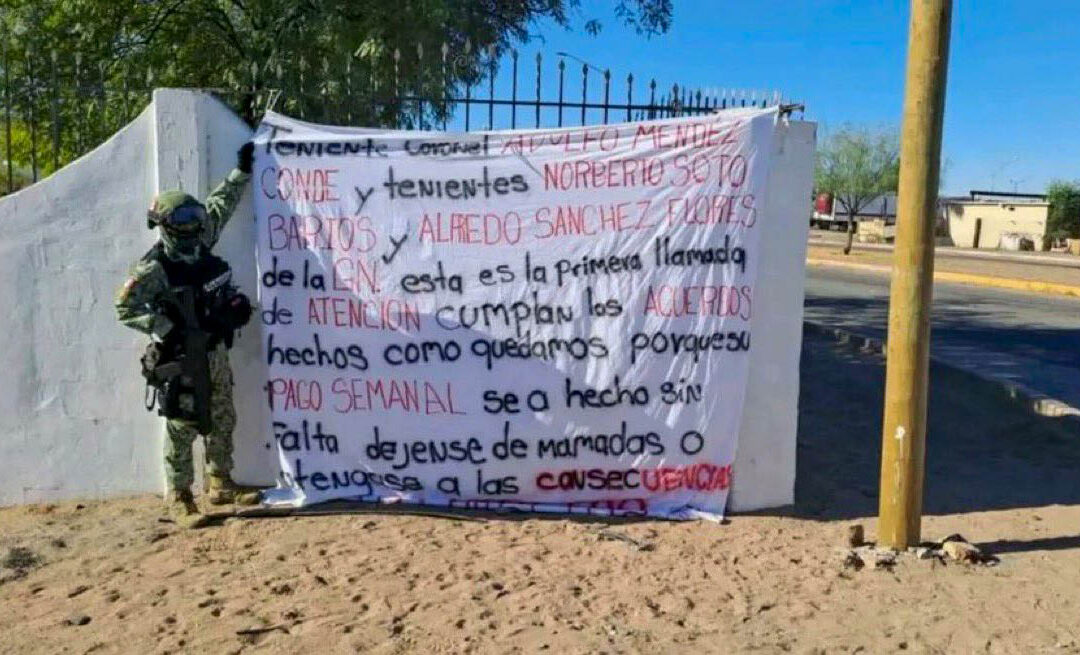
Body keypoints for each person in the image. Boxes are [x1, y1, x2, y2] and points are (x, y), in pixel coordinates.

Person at [115, 142, 259, 528]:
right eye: (183, 219)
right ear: (164, 224)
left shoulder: (201, 241)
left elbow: (221, 203)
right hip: (179, 354)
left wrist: (241, 170)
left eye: (194, 218)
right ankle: (179, 497)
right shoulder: (153, 269)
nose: (193, 225)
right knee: (181, 422)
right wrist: (165, 328)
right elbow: (124, 308)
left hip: (213, 346)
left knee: (222, 413)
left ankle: (220, 482)